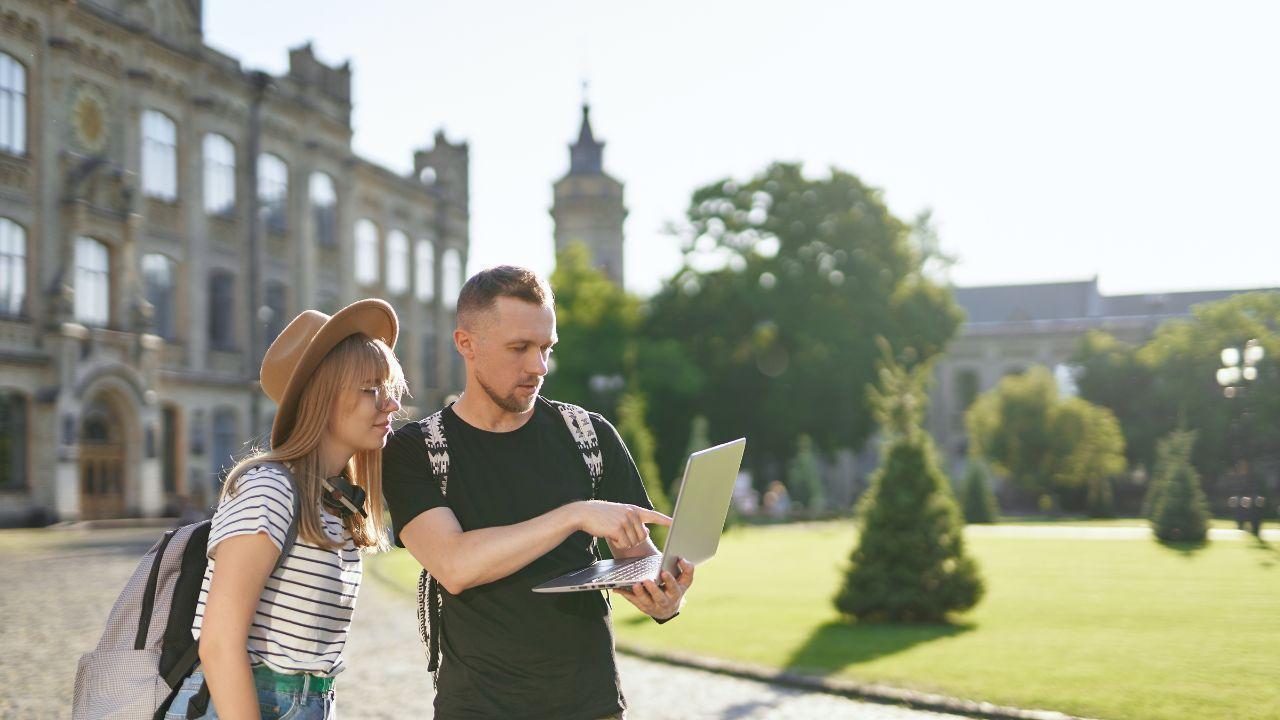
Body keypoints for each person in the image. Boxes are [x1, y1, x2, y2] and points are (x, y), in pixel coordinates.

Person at [382, 266, 693, 720]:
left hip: (592, 706)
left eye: (546, 348)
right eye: (519, 348)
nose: (538, 367)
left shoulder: (589, 435)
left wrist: (664, 594)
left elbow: (635, 556)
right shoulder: (417, 451)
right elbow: (454, 565)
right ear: (465, 344)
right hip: (478, 708)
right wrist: (574, 515)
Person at [165, 300, 405, 719]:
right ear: (321, 398)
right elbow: (219, 643)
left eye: (390, 390)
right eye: (371, 389)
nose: (391, 405)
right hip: (252, 702)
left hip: (310, 701)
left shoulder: (336, 501)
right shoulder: (270, 489)